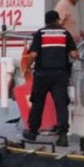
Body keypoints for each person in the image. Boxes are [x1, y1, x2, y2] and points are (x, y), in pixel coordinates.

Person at [22, 10, 78, 147]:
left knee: (37, 103)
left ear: (46, 21)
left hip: (42, 74)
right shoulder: (65, 33)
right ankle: (63, 136)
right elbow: (74, 54)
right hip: (60, 74)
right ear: (57, 20)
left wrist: (27, 66)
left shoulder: (40, 34)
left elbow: (33, 55)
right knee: (61, 104)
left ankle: (33, 132)